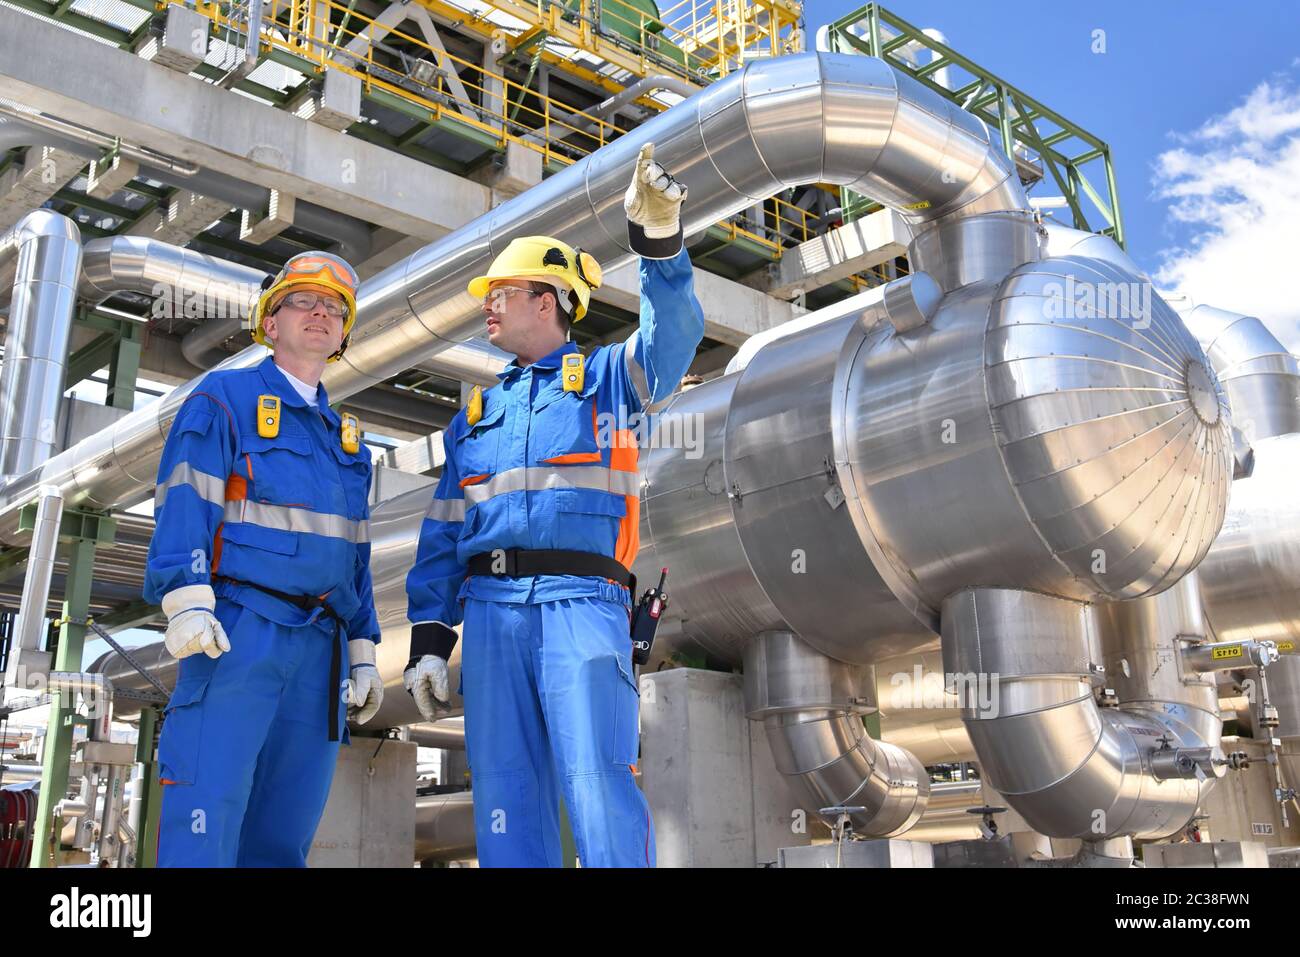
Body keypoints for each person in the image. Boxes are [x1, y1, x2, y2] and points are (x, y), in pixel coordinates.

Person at [404, 143, 705, 867]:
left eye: (500, 293)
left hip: (582, 605)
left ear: (547, 301)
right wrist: (428, 641)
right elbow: (446, 530)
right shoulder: (476, 413)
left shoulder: (608, 380)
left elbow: (675, 339)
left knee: (599, 784)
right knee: (505, 793)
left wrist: (659, 243)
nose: (487, 305)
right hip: (492, 613)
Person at [143, 251, 383, 867]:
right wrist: (186, 600)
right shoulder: (224, 398)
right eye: (303, 301)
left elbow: (354, 554)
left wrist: (362, 654)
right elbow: (186, 496)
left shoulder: (346, 439)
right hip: (237, 631)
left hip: (321, 650)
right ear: (269, 325)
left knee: (284, 831)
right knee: (207, 811)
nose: (320, 314)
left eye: (334, 309)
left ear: (342, 336)